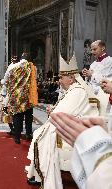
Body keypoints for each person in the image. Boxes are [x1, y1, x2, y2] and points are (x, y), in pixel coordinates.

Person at [26, 54, 100, 188]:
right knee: (40, 134)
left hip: (75, 128)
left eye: (61, 77)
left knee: (41, 136)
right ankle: (37, 173)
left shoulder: (77, 91)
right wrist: (53, 111)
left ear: (71, 79)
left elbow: (62, 114)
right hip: (72, 124)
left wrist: (52, 112)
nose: (59, 80)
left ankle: (41, 174)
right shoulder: (73, 89)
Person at [4, 53, 38, 144]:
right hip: (28, 96)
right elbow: (35, 79)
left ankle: (17, 137)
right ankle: (28, 134)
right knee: (28, 117)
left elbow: (6, 80)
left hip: (16, 97)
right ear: (29, 59)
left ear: (21, 59)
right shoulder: (33, 67)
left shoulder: (12, 67)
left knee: (17, 117)